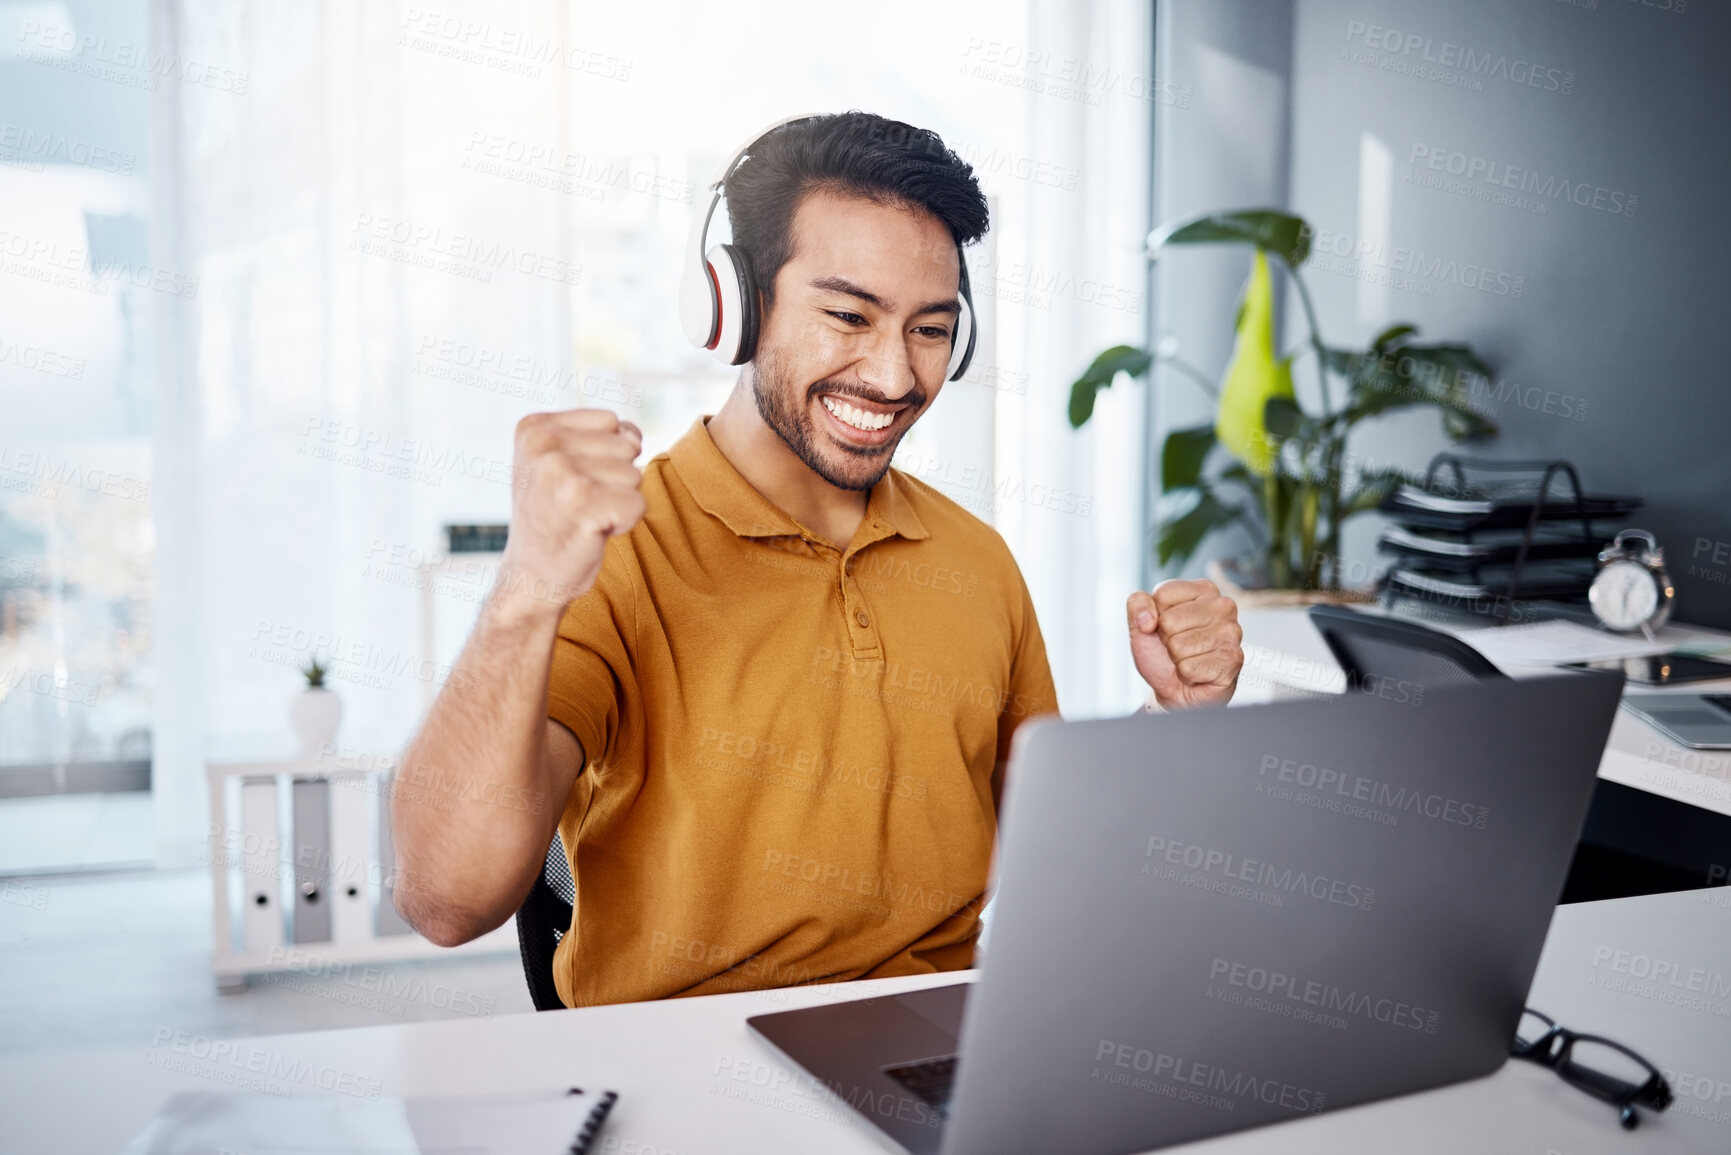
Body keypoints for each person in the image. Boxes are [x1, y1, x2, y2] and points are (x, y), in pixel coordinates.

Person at [391, 112, 1244, 1008]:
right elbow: (444, 899)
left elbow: (1055, 859)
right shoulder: (617, 554)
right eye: (848, 315)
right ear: (735, 302)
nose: (893, 376)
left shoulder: (976, 561)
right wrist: (525, 591)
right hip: (691, 1073)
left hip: (942, 1048)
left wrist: (1173, 721)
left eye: (929, 328)